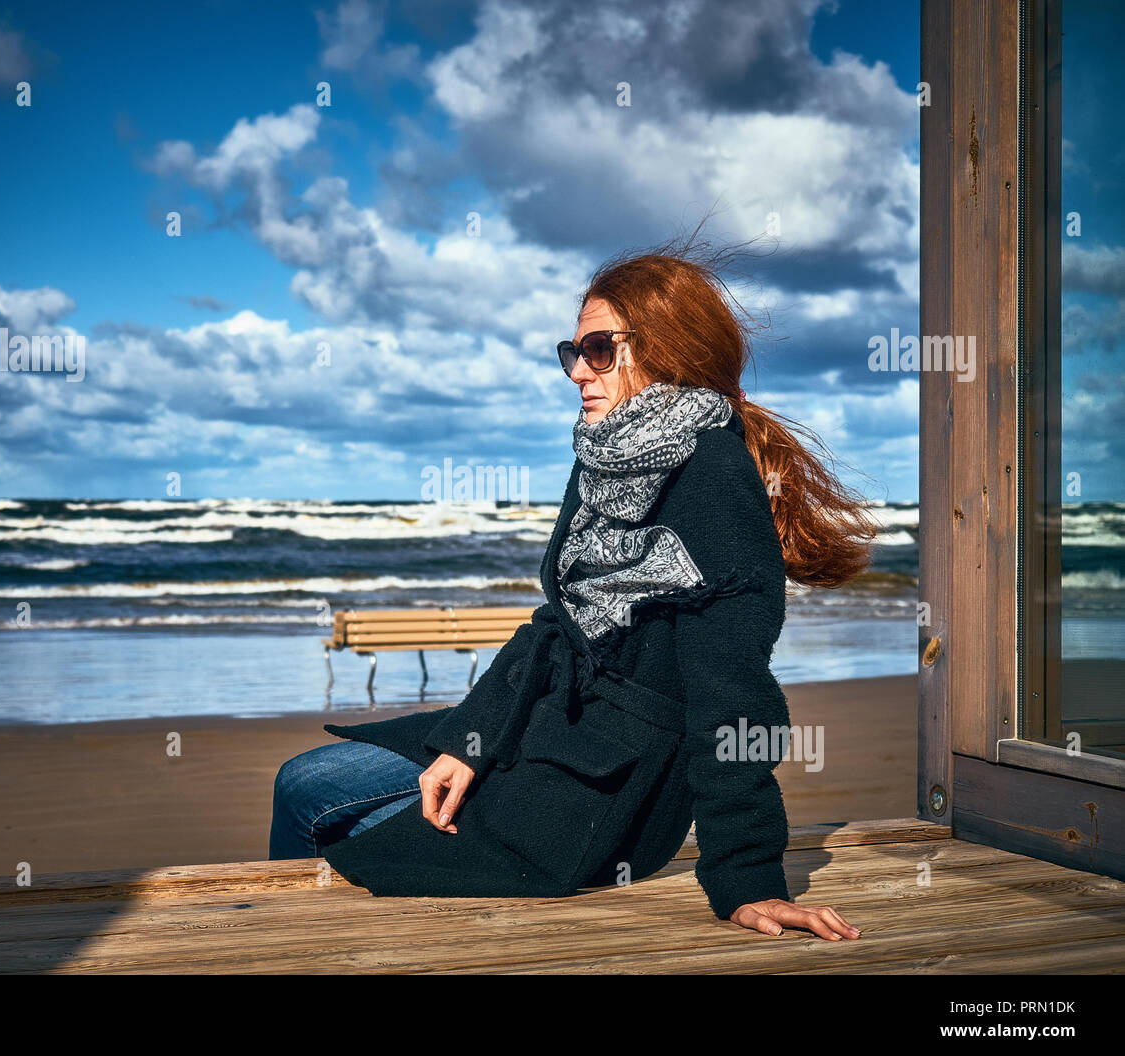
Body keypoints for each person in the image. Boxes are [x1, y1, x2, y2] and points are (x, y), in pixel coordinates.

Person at [270, 234, 878, 939]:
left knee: (346, 829)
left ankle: (291, 946)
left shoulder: (712, 473)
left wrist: (748, 876)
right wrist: (470, 741)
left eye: (598, 350)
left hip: (596, 797)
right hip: (538, 732)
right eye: (574, 352)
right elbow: (555, 626)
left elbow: (730, 689)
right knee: (305, 779)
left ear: (665, 349)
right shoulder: (605, 457)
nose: (577, 372)